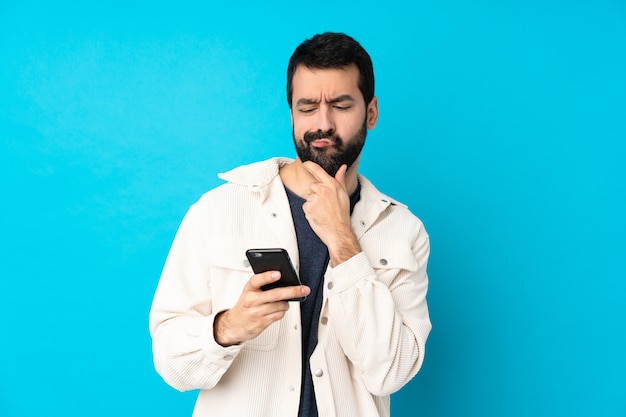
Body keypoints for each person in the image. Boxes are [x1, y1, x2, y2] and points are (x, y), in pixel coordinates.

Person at [149, 32, 431, 417]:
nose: (323, 123)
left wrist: (344, 242)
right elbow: (170, 361)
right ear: (292, 113)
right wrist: (228, 327)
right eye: (307, 107)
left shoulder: (402, 231)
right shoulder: (219, 209)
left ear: (371, 112)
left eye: (341, 105)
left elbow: (391, 372)